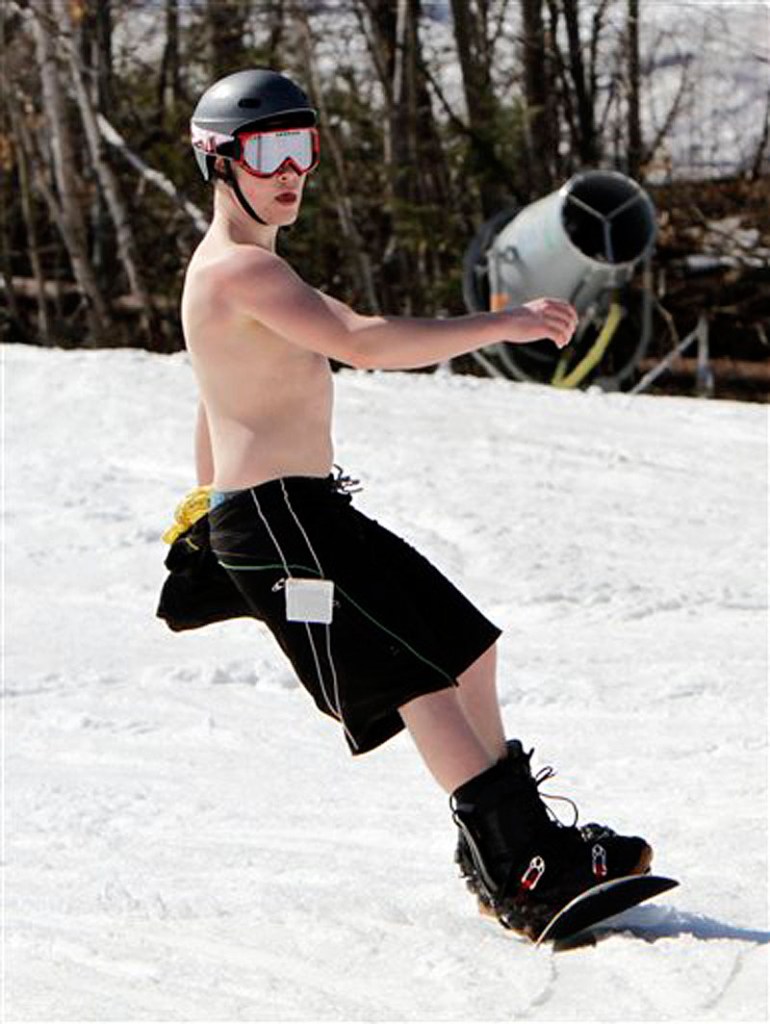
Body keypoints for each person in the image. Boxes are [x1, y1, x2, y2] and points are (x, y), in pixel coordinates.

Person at [176, 67, 651, 939]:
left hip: (299, 512)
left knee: (468, 649)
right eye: (269, 152)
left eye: (304, 150)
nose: (291, 173)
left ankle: (518, 839)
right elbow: (360, 340)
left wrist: (202, 505)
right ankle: (523, 873)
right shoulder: (238, 272)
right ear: (219, 160)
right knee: (414, 674)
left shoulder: (253, 269)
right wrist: (499, 324)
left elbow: (213, 401)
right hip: (280, 524)